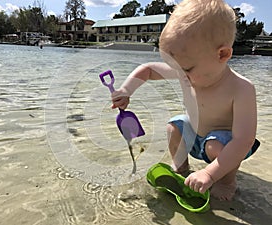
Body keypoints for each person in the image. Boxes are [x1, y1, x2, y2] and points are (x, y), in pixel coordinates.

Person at [111, 0, 259, 201]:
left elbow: (244, 140)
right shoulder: (185, 69)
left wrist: (209, 174)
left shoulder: (241, 88)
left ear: (222, 54)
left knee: (214, 146)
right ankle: (182, 170)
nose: (180, 75)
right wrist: (126, 90)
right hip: (197, 135)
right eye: (175, 68)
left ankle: (226, 180)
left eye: (186, 70)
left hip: (227, 145)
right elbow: (147, 70)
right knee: (174, 127)